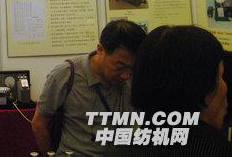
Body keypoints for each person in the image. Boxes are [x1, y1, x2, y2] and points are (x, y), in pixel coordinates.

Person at [107, 25, 230, 156]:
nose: (225, 87)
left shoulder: (121, 149)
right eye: (220, 76)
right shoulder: (216, 150)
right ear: (200, 86)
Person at [31, 19, 146, 156]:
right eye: (120, 66)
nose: (126, 75)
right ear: (100, 50)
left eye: (132, 67)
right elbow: (39, 124)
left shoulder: (137, 75)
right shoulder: (66, 74)